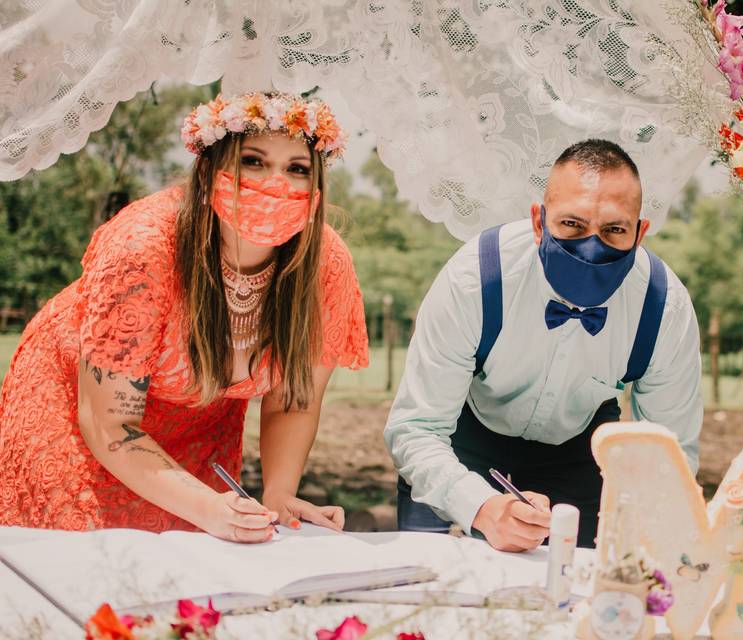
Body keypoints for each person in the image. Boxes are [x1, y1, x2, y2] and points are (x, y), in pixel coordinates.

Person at [0, 92, 368, 543]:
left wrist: (278, 492)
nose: (276, 181)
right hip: (81, 411)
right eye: (254, 161)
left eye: (297, 168)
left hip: (200, 421)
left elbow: (296, 399)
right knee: (90, 557)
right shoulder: (142, 249)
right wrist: (206, 506)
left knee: (190, 571)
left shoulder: (325, 264)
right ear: (210, 169)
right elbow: (107, 421)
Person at [385, 139, 703, 551]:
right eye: (572, 225)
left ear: (640, 233)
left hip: (582, 452)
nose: (592, 246)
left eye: (614, 230)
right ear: (539, 222)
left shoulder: (664, 309)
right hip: (460, 441)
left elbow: (669, 458)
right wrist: (480, 506)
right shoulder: (475, 278)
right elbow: (417, 429)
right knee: (429, 586)